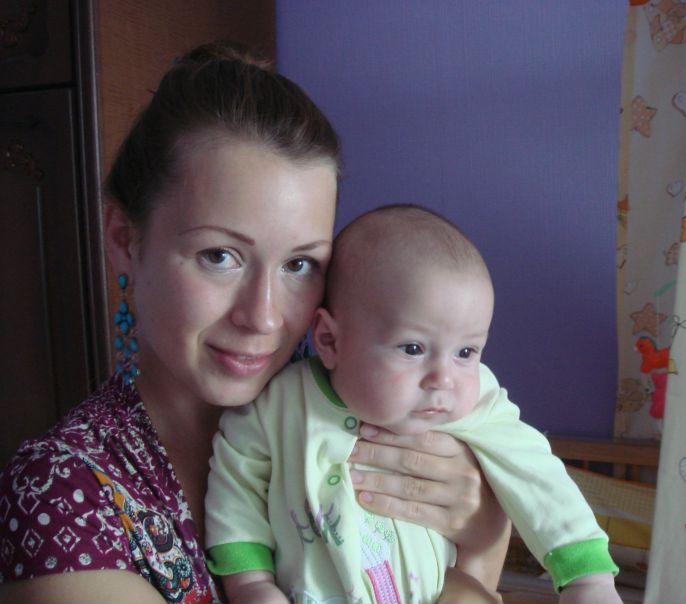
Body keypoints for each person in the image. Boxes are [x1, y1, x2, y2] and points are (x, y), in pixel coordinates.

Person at [0, 43, 511, 604]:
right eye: (219, 256)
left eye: (299, 265)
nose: (263, 316)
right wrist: (481, 555)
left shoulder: (380, 405)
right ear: (125, 240)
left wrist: (483, 533)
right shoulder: (61, 497)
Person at [205, 204, 623, 604]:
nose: (443, 379)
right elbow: (236, 483)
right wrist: (251, 583)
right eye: (412, 348)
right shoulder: (281, 403)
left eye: (466, 352)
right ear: (330, 340)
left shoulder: (478, 403)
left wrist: (587, 577)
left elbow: (537, 477)